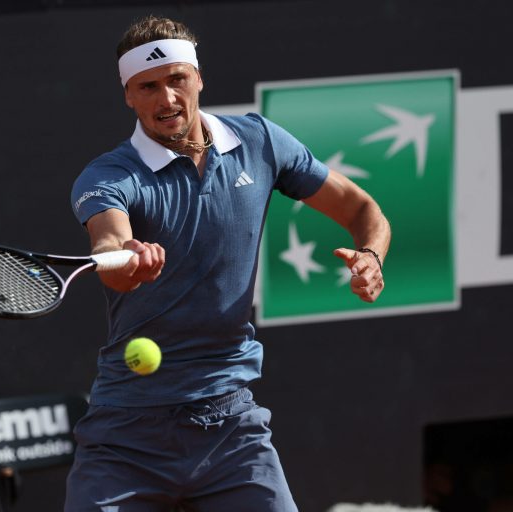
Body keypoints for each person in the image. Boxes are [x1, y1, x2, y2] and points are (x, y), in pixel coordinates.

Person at [66, 15, 391, 512]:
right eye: (147, 86)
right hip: (126, 435)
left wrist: (370, 255)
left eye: (177, 80)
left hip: (231, 427)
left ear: (198, 79)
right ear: (128, 95)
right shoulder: (109, 175)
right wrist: (127, 258)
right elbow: (110, 242)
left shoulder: (260, 142)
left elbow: (362, 210)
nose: (166, 99)